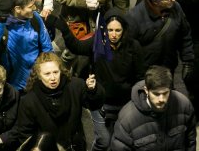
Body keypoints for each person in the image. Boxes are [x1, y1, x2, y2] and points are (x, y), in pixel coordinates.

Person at [50, 9, 145, 151]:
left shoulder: (133, 46)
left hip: (124, 103)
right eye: (110, 30)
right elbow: (76, 46)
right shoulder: (97, 43)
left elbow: (140, 75)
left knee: (121, 141)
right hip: (101, 102)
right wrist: (64, 28)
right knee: (103, 141)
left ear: (124, 30)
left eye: (117, 30)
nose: (113, 35)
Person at [14, 52, 104, 151]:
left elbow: (94, 105)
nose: (53, 78)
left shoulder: (75, 86)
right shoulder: (29, 101)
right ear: (39, 75)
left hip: (75, 145)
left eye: (55, 72)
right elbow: (25, 134)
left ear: (60, 71)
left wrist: (93, 90)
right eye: (47, 74)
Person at [0, 0, 54, 92]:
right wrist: (1, 16)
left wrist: (48, 73)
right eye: (30, 6)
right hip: (11, 86)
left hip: (35, 81)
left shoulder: (35, 18)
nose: (34, 8)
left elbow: (47, 47)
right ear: (18, 9)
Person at [111, 65, 196, 151]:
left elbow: (190, 141)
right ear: (146, 90)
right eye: (156, 94)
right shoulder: (127, 119)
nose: (161, 99)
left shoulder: (184, 105)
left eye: (165, 93)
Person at [126, 0, 195, 75]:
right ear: (156, 2)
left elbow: (185, 35)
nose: (174, 0)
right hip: (144, 73)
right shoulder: (134, 17)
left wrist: (188, 62)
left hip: (169, 69)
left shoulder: (176, 7)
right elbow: (128, 50)